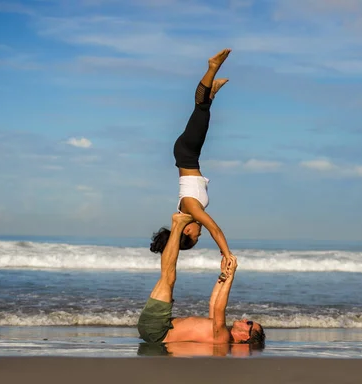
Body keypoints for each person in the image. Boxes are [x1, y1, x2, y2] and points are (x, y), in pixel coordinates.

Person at [150, 48, 234, 262]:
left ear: (187, 231)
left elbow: (215, 229)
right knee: (202, 115)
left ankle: (212, 67)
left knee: (200, 108)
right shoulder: (185, 213)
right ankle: (211, 92)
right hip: (188, 156)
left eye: (196, 238)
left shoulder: (192, 210)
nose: (200, 234)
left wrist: (226, 255)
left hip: (186, 154)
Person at [138, 212, 265, 347]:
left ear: (246, 336)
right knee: (167, 277)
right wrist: (224, 274)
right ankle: (177, 226)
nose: (245, 319)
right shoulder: (218, 330)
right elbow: (213, 303)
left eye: (249, 324)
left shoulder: (222, 337)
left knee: (168, 278)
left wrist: (231, 276)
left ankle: (178, 225)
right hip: (156, 328)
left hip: (157, 330)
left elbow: (218, 309)